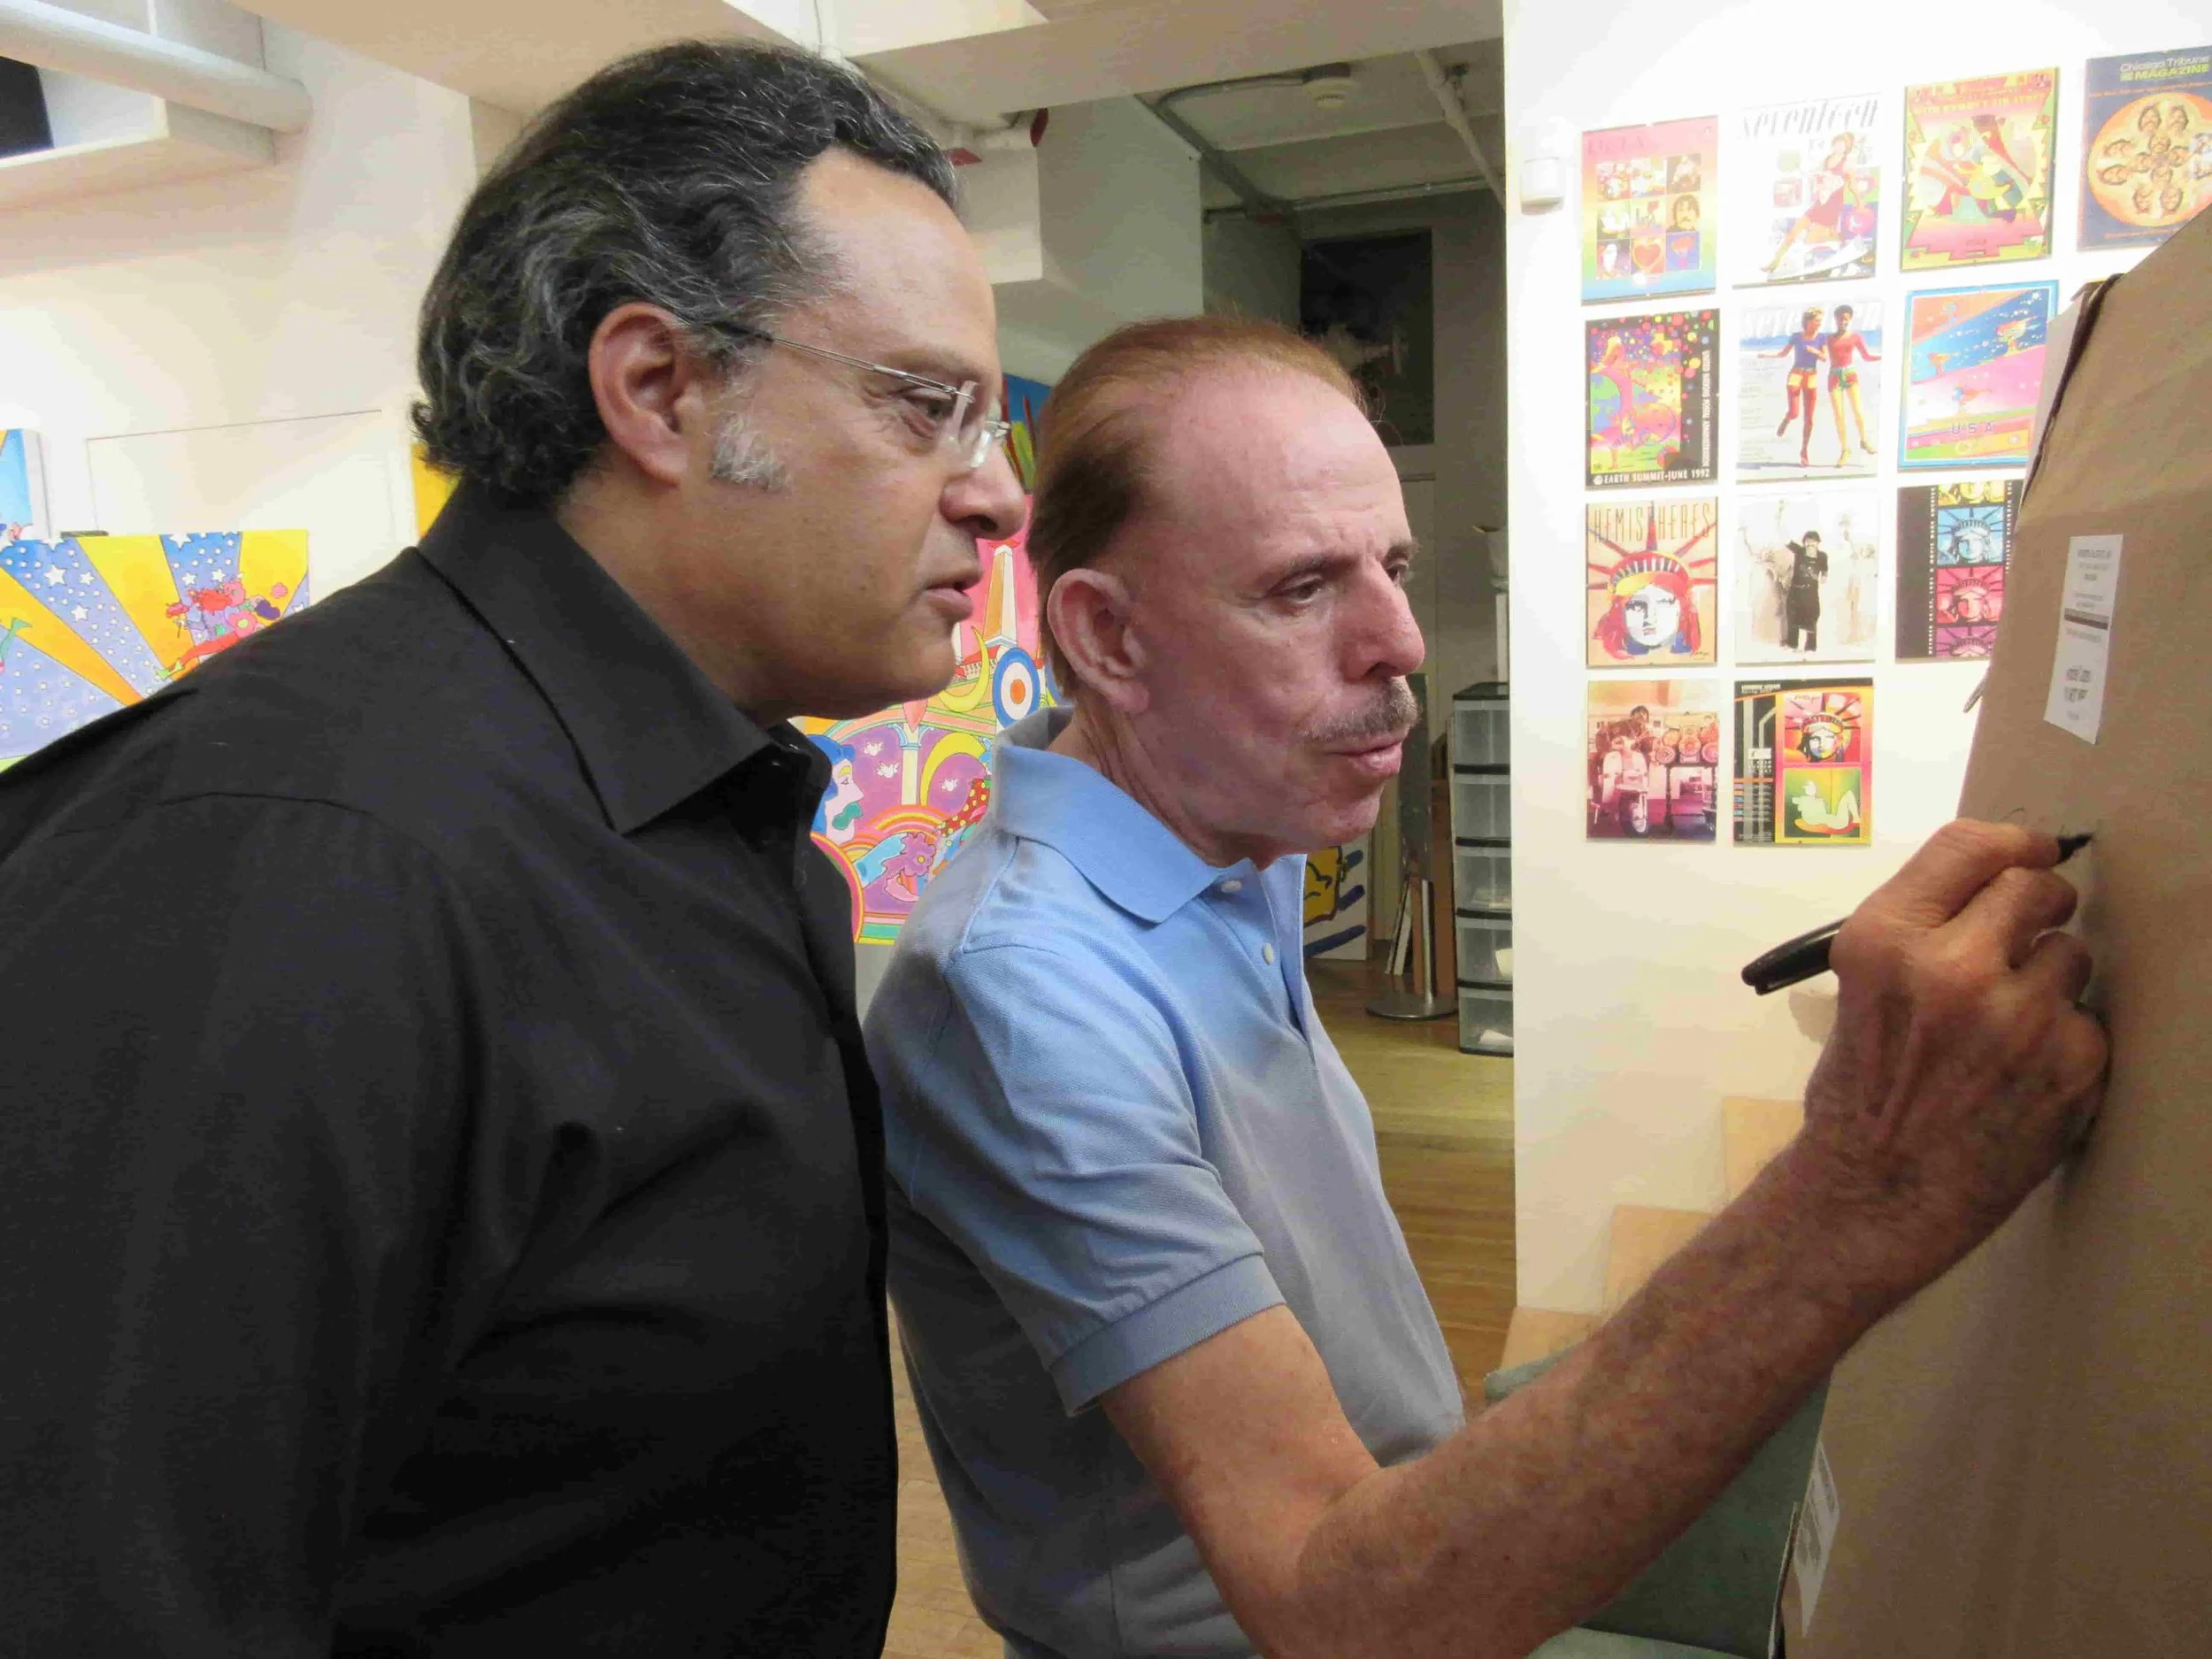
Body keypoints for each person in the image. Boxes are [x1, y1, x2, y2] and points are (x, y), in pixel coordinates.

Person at [865, 317, 2106, 1659]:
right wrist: (1868, 1181)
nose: (1398, 640)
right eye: (1300, 587)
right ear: (1109, 638)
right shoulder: (1023, 988)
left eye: (1391, 566)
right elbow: (1334, 1605)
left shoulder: (1231, 827)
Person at [0, 42, 1025, 1653]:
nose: (1001, 497)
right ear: (661, 391)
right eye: (926, 408)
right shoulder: (298, 868)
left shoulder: (718, 823)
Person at [1766, 307, 1825, 465]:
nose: (1819, 323)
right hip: (1796, 374)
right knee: (1794, 413)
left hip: (1811, 375)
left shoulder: (1821, 338)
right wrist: (1766, 355)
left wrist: (1814, 351)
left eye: (1820, 320)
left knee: (1809, 419)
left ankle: (1804, 450)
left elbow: (1825, 357)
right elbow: (1783, 354)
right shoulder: (1796, 337)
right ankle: (1787, 419)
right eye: (1817, 320)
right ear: (1808, 321)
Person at [1824, 302, 1881, 464]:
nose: (1843, 321)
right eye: (1840, 318)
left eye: (1846, 319)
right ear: (1835, 319)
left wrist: (1884, 357)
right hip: (1834, 376)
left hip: (1850, 374)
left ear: (1850, 320)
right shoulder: (1828, 338)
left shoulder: (1855, 337)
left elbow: (1867, 357)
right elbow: (1818, 351)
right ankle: (1844, 450)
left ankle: (1864, 441)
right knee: (1839, 415)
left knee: (1858, 412)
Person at [1785, 526, 1828, 651]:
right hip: (1795, 592)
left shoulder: (1823, 556)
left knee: (1811, 619)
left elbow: (1825, 573)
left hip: (1811, 594)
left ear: (1818, 543)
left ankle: (1810, 648)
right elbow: (1786, 540)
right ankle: (1792, 645)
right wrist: (1779, 517)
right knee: (1792, 618)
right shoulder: (1799, 551)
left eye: (1813, 541)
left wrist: (1822, 577)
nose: (1810, 544)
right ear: (1804, 543)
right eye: (1808, 541)